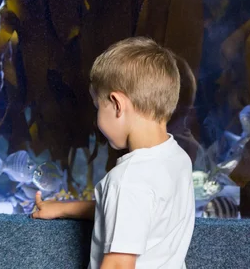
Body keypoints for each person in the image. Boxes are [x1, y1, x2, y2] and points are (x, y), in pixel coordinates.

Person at [31, 37, 195, 269]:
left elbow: (119, 264)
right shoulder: (178, 159)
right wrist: (63, 208)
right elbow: (129, 214)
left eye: (98, 107)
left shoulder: (128, 180)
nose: (96, 117)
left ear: (117, 104)